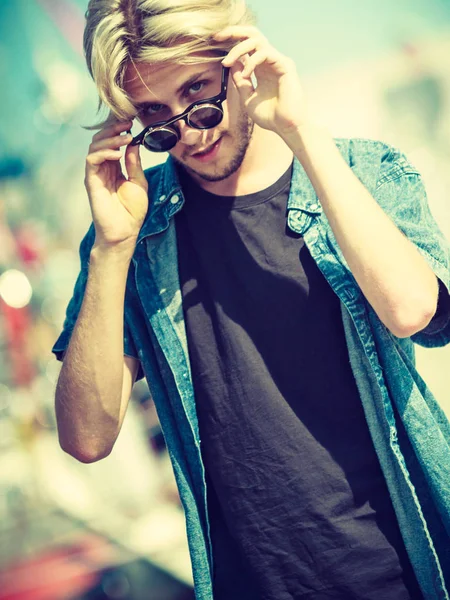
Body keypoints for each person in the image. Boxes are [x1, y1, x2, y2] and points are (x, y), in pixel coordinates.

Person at [52, 1, 450, 599]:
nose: (188, 132)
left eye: (199, 93)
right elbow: (86, 438)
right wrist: (111, 248)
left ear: (240, 64)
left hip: (399, 572)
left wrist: (301, 130)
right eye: (156, 118)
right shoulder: (133, 232)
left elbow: (414, 312)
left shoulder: (365, 170)